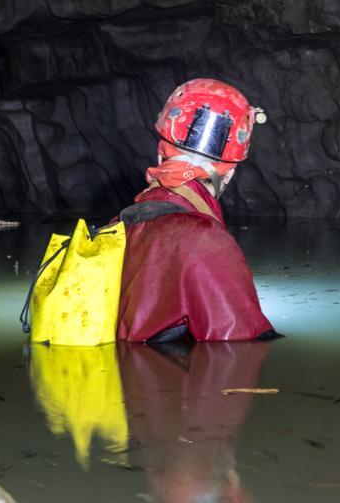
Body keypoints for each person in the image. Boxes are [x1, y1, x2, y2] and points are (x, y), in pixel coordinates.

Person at [116, 79, 276, 342]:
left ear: (160, 155)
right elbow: (237, 354)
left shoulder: (114, 229)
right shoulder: (207, 245)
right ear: (229, 175)